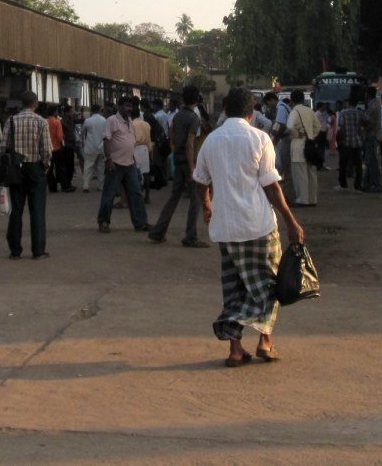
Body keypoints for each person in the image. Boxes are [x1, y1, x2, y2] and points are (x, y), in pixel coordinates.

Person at [193, 87, 304, 367]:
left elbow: (200, 180)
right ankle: (265, 341)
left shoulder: (211, 141)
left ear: (224, 110)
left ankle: (235, 349)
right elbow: (272, 187)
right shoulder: (259, 138)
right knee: (268, 284)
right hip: (259, 226)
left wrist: (207, 205)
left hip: (226, 227)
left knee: (233, 286)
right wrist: (290, 221)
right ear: (251, 112)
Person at [148, 85, 209, 248]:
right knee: (195, 200)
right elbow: (190, 144)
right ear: (197, 100)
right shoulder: (194, 118)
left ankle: (158, 231)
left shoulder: (177, 116)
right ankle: (190, 236)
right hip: (189, 160)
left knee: (174, 197)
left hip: (178, 158)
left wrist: (176, 152)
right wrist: (192, 168)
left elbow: (172, 137)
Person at [1, 91, 53, 259]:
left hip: (16, 169)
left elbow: (3, 147)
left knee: (16, 210)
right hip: (35, 168)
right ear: (35, 103)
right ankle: (38, 250)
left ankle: (15, 250)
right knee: (37, 210)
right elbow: (47, 150)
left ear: (21, 103)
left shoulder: (11, 121)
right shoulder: (41, 121)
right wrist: (45, 167)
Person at [97, 96, 149, 233]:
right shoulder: (112, 121)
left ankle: (141, 223)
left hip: (130, 163)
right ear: (119, 106)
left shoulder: (130, 122)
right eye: (126, 106)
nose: (129, 109)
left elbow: (130, 141)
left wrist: (134, 159)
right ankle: (103, 221)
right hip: (115, 163)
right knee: (109, 194)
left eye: (130, 106)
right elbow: (107, 140)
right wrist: (109, 159)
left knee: (136, 194)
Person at [285, 89, 322, 205]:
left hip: (298, 144)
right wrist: (311, 135)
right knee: (311, 173)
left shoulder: (295, 111)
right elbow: (318, 126)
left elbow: (290, 126)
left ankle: (302, 199)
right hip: (310, 144)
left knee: (300, 174)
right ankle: (312, 199)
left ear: (292, 100)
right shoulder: (309, 110)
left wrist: (297, 134)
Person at [335, 97, 366, 191]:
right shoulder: (359, 112)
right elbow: (368, 121)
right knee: (358, 165)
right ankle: (358, 185)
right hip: (357, 141)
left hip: (346, 142)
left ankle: (343, 184)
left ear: (348, 103)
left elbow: (341, 126)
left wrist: (341, 140)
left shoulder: (343, 113)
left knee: (343, 164)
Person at [80, 103, 107, 193]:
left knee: (88, 167)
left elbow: (82, 131)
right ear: (99, 110)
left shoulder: (88, 121)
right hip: (101, 147)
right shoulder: (104, 120)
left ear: (91, 110)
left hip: (90, 147)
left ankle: (86, 186)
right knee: (101, 168)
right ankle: (101, 186)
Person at [362, 87, 382, 193]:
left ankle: (376, 184)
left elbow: (371, 122)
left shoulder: (372, 105)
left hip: (371, 135)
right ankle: (367, 183)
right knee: (370, 161)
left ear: (367, 94)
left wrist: (363, 129)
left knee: (372, 161)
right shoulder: (375, 104)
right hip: (373, 134)